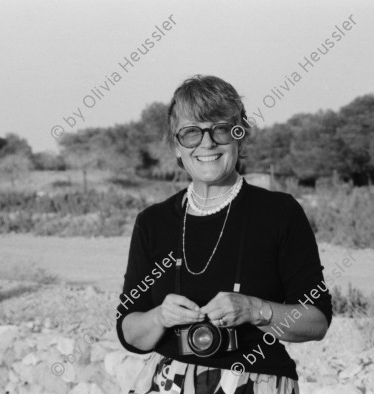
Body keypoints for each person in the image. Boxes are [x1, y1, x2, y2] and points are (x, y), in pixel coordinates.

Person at [115, 75, 332, 394]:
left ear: (240, 138)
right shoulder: (153, 222)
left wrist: (254, 309)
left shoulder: (279, 213)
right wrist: (161, 316)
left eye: (220, 129)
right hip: (169, 384)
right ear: (177, 146)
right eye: (191, 133)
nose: (207, 143)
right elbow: (129, 331)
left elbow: (317, 321)